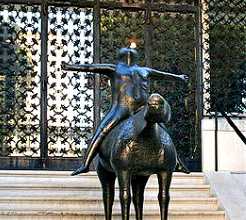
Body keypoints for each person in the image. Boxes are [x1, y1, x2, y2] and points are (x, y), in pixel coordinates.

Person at [62, 47, 190, 176]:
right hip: (123, 108)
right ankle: (85, 164)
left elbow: (90, 67)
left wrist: (71, 66)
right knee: (104, 129)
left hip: (137, 108)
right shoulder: (129, 70)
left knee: (103, 130)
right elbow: (91, 67)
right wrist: (178, 77)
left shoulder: (123, 69)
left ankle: (85, 164)